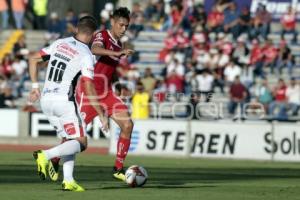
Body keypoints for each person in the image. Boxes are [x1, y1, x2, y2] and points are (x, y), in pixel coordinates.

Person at [29, 16, 107, 191]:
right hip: (64, 101)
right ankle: (45, 155)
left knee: (70, 140)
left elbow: (33, 59)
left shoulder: (59, 43)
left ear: (77, 29)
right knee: (81, 142)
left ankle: (69, 180)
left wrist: (35, 86)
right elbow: (88, 85)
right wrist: (101, 114)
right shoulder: (86, 54)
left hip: (46, 100)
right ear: (93, 34)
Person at [76, 7, 134, 182]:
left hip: (107, 93)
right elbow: (95, 49)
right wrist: (117, 53)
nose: (124, 29)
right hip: (89, 91)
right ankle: (54, 158)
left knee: (127, 125)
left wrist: (118, 83)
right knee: (75, 140)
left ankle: (118, 168)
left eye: (126, 26)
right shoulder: (103, 35)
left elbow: (110, 67)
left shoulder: (118, 44)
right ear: (113, 22)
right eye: (121, 25)